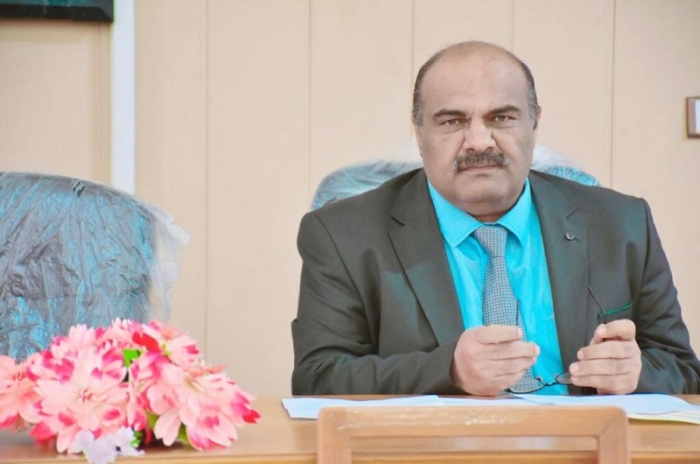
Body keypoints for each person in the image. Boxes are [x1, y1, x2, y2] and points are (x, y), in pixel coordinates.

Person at [291, 41, 700, 396]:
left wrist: (636, 373)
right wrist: (449, 370)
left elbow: (684, 371)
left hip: (588, 443)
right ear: (418, 132)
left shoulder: (622, 223)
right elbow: (317, 378)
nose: (478, 141)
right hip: (432, 448)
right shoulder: (343, 234)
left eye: (501, 118)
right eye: (452, 121)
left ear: (534, 122)